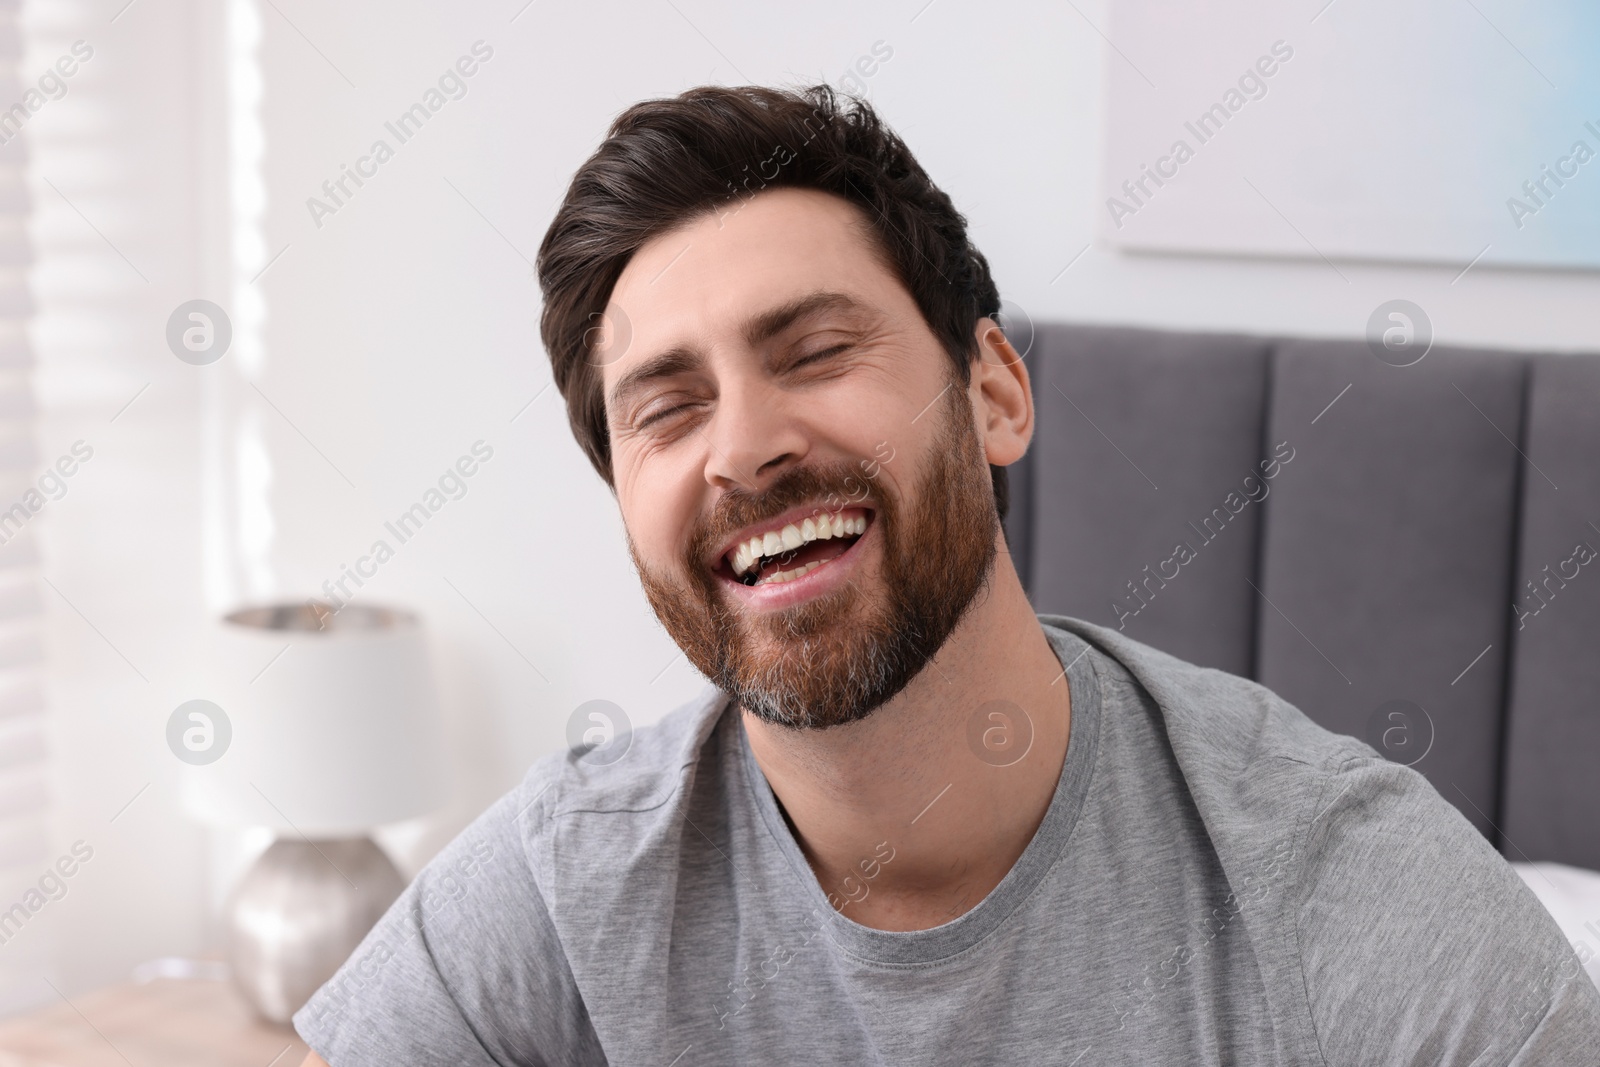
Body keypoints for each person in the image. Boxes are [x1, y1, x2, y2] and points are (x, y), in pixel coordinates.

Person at [294, 84, 1600, 1065]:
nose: (743, 450)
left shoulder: (1348, 899)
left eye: (811, 351)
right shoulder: (558, 897)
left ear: (994, 393)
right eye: (669, 408)